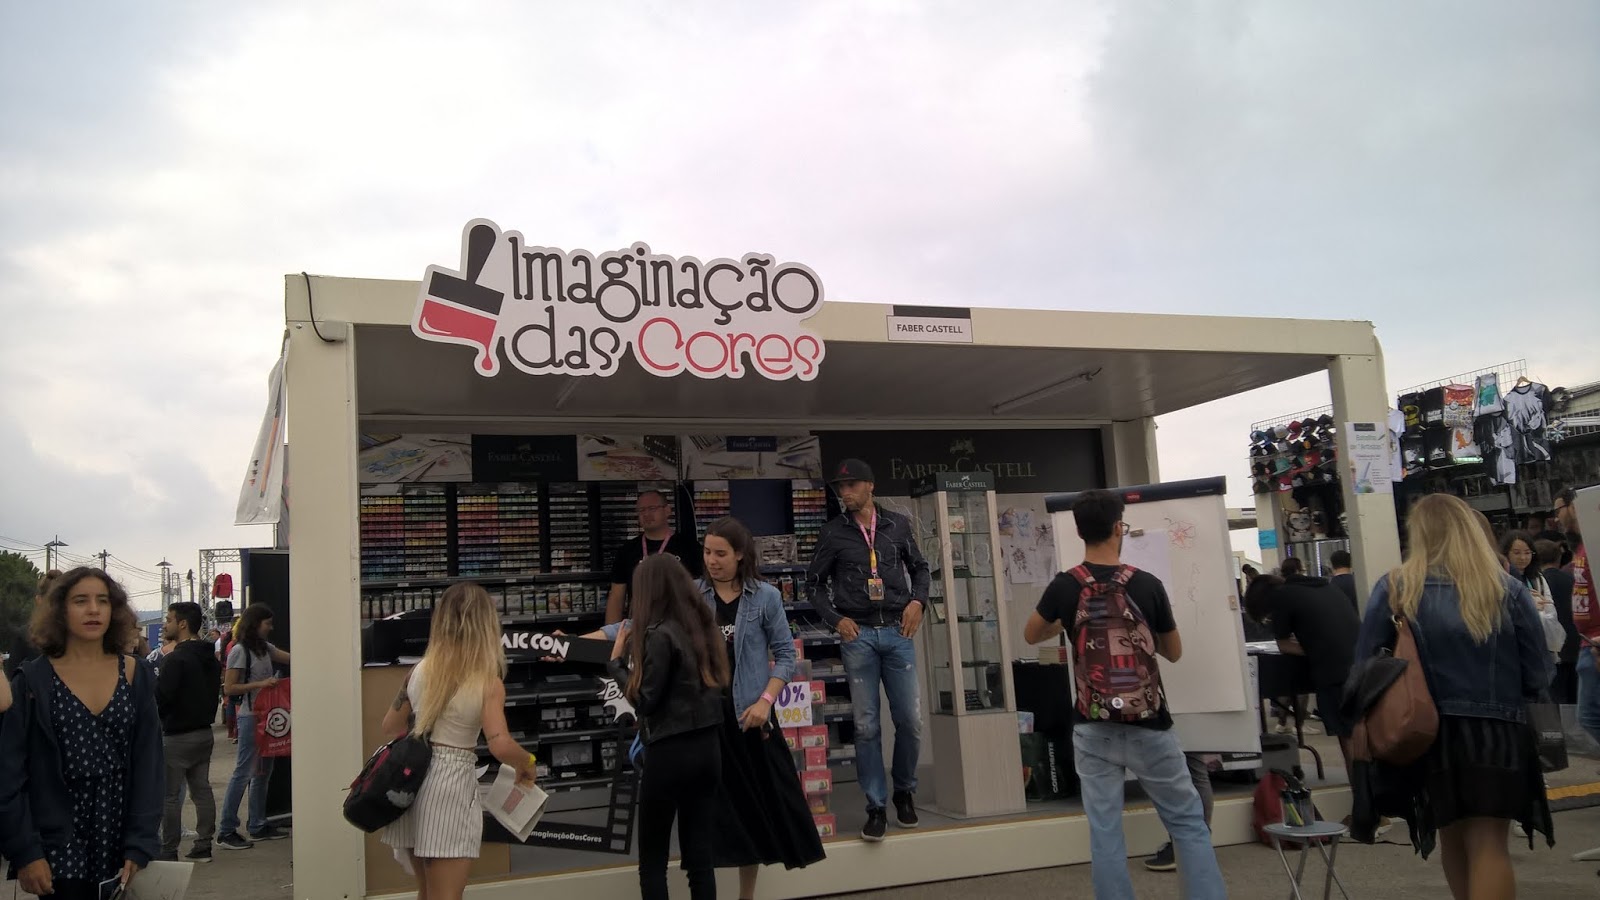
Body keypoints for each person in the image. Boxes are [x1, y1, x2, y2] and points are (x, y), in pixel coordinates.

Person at [594, 517, 823, 899]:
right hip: (705, 722)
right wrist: (570, 644)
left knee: (755, 816)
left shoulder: (765, 597)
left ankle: (746, 896)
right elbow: (631, 624)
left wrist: (766, 701)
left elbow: (785, 656)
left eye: (720, 553)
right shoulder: (694, 594)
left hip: (750, 719)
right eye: (707, 552)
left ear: (740, 554)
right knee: (710, 825)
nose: (711, 561)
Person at [1023, 490, 1225, 900]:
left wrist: (1067, 622)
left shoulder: (1065, 585)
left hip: (1093, 725)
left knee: (1105, 830)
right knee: (1187, 822)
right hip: (1150, 726)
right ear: (1119, 528)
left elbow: (1031, 635)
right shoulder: (1147, 584)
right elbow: (1173, 652)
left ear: (1079, 531)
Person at [1352, 494, 1551, 899]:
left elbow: (1364, 668)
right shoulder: (1507, 589)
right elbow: (1538, 673)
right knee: (1489, 844)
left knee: (1451, 837)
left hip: (1425, 733)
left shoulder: (1396, 586)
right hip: (1497, 732)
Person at [0, 568, 164, 899]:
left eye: (102, 601)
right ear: (59, 610)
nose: (93, 609)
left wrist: (141, 840)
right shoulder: (31, 681)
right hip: (56, 843)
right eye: (80, 601)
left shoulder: (135, 673)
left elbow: (150, 763)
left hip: (120, 835)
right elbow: (8, 774)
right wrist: (25, 851)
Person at [380, 582, 539, 900]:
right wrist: (527, 762)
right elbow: (499, 743)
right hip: (450, 787)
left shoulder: (418, 671)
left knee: (427, 893)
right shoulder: (487, 682)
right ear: (485, 625)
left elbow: (390, 725)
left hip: (411, 780)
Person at [805, 459, 931, 841]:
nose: (844, 492)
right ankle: (876, 805)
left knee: (910, 720)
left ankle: (904, 791)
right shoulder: (832, 532)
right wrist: (835, 619)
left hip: (898, 631)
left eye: (852, 485)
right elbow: (813, 584)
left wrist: (918, 602)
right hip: (857, 636)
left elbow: (921, 568)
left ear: (870, 486)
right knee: (865, 726)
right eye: (840, 487)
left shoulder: (898, 525)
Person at [610, 556, 728, 900]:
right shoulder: (705, 627)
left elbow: (646, 701)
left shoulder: (659, 634)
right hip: (708, 748)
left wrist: (616, 664)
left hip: (668, 752)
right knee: (700, 858)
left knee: (653, 860)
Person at [1245, 573, 1360, 770]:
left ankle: (1359, 786)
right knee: (1361, 734)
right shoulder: (1325, 587)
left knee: (1347, 738)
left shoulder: (1281, 597)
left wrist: (1314, 647)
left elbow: (1283, 645)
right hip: (1362, 665)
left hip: (1333, 674)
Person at [216, 603, 292, 850]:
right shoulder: (240, 651)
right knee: (245, 772)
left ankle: (257, 824)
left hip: (265, 717)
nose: (271, 627)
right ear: (256, 624)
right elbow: (229, 688)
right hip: (250, 717)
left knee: (262, 772)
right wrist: (261, 685)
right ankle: (227, 829)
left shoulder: (263, 648)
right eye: (267, 623)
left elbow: (290, 657)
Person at [156, 601, 222, 864]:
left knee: (170, 796)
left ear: (182, 624)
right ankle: (203, 845)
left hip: (176, 735)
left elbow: (161, 697)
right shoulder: (210, 658)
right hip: (204, 733)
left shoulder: (175, 659)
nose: (165, 624)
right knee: (201, 790)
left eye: (169, 619)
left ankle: (169, 849)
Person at [605, 489, 704, 625]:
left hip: (680, 625)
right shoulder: (627, 550)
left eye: (652, 508)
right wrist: (610, 634)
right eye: (641, 510)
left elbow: (701, 592)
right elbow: (617, 596)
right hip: (640, 625)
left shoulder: (689, 547)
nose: (646, 514)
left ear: (667, 510)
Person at [1557, 487, 1598, 747]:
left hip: (1595, 643)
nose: (1557, 517)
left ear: (1573, 507)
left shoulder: (1593, 542)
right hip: (1589, 641)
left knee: (1590, 716)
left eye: (1558, 509)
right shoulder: (1584, 545)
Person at [1501, 531, 1565, 676]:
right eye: (1517, 553)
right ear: (1506, 554)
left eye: (1527, 553)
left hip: (1539, 644)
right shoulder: (1502, 580)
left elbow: (1550, 611)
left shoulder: (1538, 579)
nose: (1523, 558)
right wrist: (1530, 606)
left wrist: (1538, 610)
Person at [1538, 538, 1579, 703]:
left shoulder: (1539, 584)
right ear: (1559, 558)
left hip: (1552, 649)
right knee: (1575, 698)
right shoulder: (1572, 579)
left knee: (1556, 700)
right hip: (1576, 646)